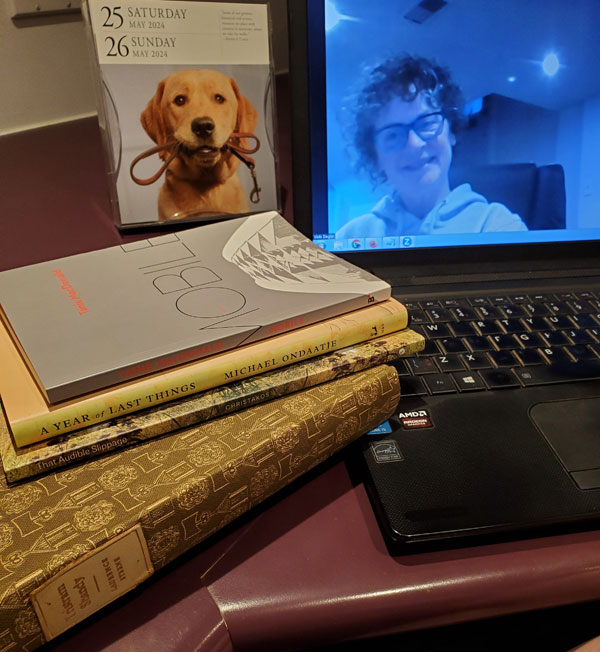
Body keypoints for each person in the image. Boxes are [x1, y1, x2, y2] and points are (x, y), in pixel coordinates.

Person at [336, 55, 528, 239]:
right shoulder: (349, 238)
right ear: (375, 156)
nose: (414, 144)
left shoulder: (499, 226)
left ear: (451, 130)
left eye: (427, 123)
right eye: (393, 134)